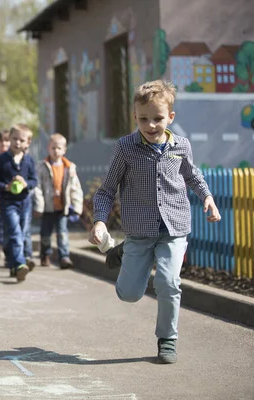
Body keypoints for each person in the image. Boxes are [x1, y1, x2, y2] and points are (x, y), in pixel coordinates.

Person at [89, 79, 221, 364]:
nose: (151, 125)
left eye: (158, 119)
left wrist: (207, 197)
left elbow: (193, 176)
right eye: (144, 118)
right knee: (129, 294)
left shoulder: (181, 146)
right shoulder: (125, 148)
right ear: (134, 116)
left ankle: (167, 339)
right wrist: (100, 221)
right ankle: (121, 251)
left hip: (174, 228)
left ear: (170, 117)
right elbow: (107, 189)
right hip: (139, 231)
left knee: (168, 281)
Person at [0, 124, 38, 282]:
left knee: (21, 234)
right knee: (15, 234)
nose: (17, 142)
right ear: (9, 139)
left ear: (28, 143)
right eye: (14, 138)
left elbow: (34, 180)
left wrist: (26, 184)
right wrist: (6, 187)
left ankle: (12, 264)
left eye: (21, 140)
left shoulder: (29, 160)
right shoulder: (1, 160)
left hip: (25, 203)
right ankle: (19, 264)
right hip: (8, 203)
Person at [33, 133, 83, 268]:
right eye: (53, 148)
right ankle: (45, 255)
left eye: (59, 148)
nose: (56, 151)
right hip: (47, 208)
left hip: (62, 208)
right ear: (48, 148)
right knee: (45, 234)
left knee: (62, 233)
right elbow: (37, 187)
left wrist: (77, 207)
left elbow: (75, 188)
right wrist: (39, 206)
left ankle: (64, 257)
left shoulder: (69, 167)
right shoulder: (42, 166)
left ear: (64, 150)